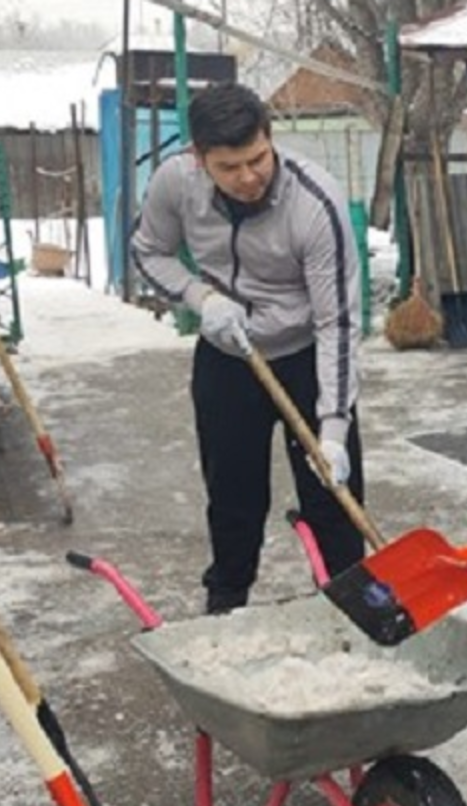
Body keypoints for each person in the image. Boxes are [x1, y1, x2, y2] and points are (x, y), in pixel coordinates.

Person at [132, 83, 365, 614]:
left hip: (305, 353)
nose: (248, 177)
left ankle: (352, 605)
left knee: (333, 498)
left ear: (271, 137)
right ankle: (226, 600)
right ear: (199, 159)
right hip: (228, 356)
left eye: (257, 159)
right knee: (233, 494)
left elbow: (338, 324)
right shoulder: (176, 184)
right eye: (229, 166)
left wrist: (333, 430)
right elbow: (148, 251)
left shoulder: (314, 202)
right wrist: (200, 296)